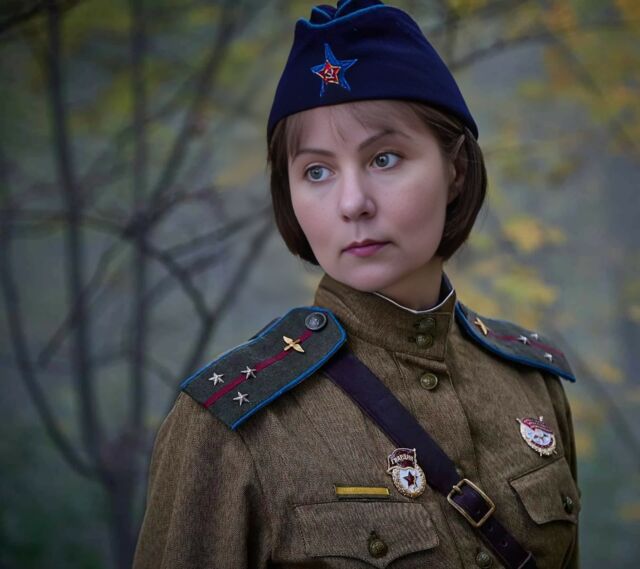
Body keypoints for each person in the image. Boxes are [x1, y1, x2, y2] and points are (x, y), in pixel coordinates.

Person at [133, 1, 580, 568]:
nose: (352, 203)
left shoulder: (531, 385)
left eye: (384, 158)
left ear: (456, 171)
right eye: (316, 171)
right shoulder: (228, 424)